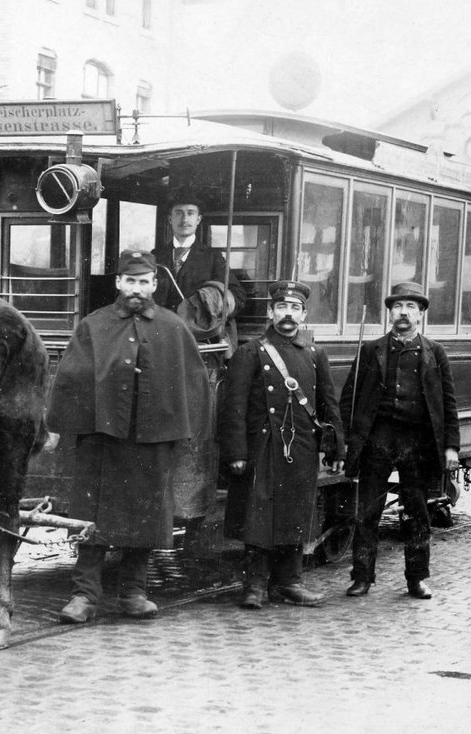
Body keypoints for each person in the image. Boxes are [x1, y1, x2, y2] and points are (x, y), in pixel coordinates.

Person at [47, 249, 210, 623]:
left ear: (154, 285)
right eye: (130, 281)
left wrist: (188, 433)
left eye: (144, 282)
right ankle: (84, 596)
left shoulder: (173, 328)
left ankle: (134, 592)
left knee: (146, 517)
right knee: (92, 515)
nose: (137, 289)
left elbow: (194, 383)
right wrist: (61, 426)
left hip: (152, 441)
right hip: (102, 439)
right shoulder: (94, 325)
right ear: (118, 282)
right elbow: (70, 378)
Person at [217, 279, 344, 609]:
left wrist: (336, 448)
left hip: (301, 448)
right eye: (282, 308)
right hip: (263, 448)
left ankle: (289, 582)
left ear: (303, 315)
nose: (288, 314)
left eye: (295, 309)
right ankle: (255, 585)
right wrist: (236, 454)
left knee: (296, 515)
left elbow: (329, 405)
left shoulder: (316, 355)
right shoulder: (250, 352)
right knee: (259, 516)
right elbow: (234, 408)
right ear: (271, 312)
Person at [338, 282, 460, 600]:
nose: (403, 312)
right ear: (390, 313)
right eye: (397, 307)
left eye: (410, 307)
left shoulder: (435, 353)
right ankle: (362, 576)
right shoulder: (371, 350)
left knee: (416, 512)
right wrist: (348, 440)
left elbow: (448, 403)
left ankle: (417, 578)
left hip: (416, 442)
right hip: (378, 439)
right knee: (368, 511)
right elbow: (349, 397)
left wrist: (451, 446)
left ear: (420, 314)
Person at [151, 196, 245, 342]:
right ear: (170, 219)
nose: (184, 219)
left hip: (198, 340)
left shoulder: (213, 257)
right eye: (178, 213)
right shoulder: (156, 256)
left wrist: (209, 308)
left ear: (198, 219)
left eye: (190, 213)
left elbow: (237, 297)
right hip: (161, 337)